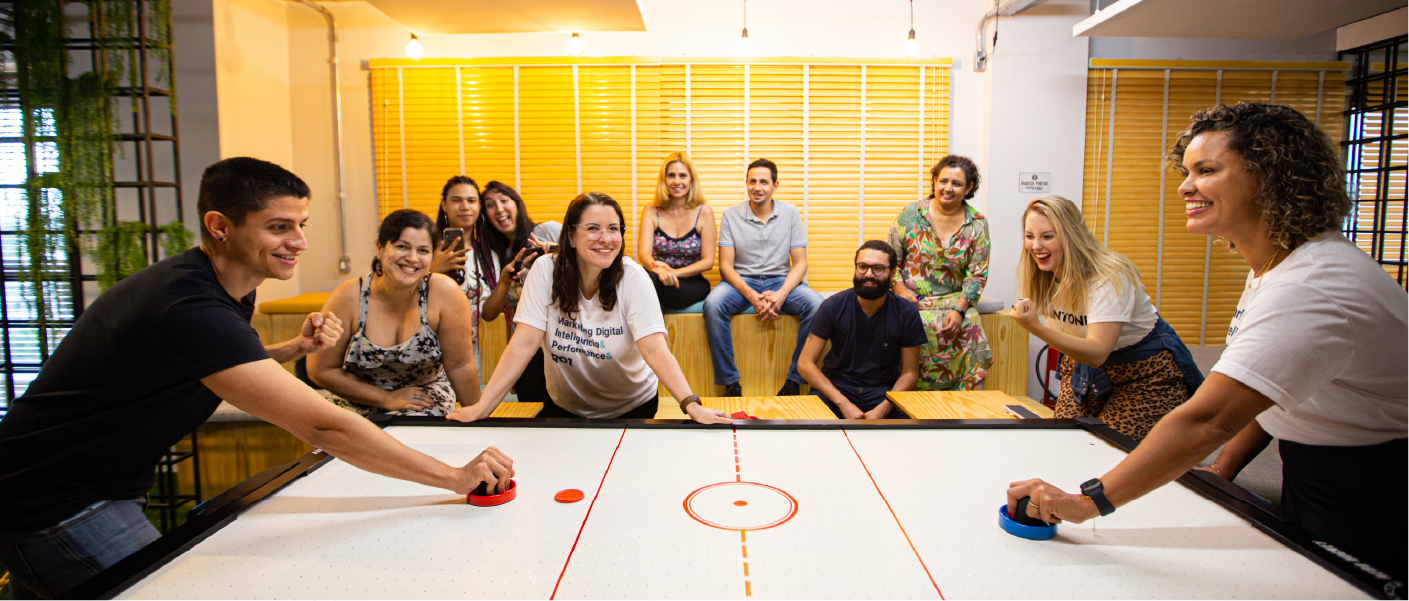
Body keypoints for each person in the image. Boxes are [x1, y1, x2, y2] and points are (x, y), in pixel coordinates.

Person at [0, 158, 512, 599]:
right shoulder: (190, 306)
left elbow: (212, 363)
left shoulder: (223, 288)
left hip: (96, 483)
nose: (300, 242)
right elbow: (324, 426)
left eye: (301, 225)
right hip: (55, 500)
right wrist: (453, 478)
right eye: (279, 228)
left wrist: (290, 347)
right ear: (220, 225)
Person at [1006, 103, 1406, 579]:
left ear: (1269, 177)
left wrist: (1082, 503)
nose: (1184, 186)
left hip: (1374, 481)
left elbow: (1208, 420)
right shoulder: (1276, 269)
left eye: (1207, 170)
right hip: (1314, 464)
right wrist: (1222, 472)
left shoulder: (1311, 286)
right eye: (1187, 170)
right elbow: (1275, 392)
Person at [449, 192, 732, 424]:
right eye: (593, 229)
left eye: (613, 229)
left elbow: (655, 349)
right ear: (570, 235)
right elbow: (524, 342)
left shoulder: (633, 277)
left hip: (633, 408)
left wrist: (692, 405)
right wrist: (483, 407)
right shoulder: (544, 270)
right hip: (564, 407)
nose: (606, 239)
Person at [1011, 195, 1204, 441]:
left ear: (1071, 235)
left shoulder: (1108, 275)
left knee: (1107, 449)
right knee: (1062, 442)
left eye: (1047, 236)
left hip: (1142, 374)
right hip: (1083, 373)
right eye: (1029, 236)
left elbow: (1097, 351)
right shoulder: (1041, 275)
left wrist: (1035, 327)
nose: (1036, 246)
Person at [309, 210, 481, 417]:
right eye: (402, 247)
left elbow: (460, 366)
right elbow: (321, 370)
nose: (412, 258)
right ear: (380, 249)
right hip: (355, 398)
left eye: (423, 251)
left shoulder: (445, 292)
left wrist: (478, 422)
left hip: (422, 397)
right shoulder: (348, 295)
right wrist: (386, 398)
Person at [704, 158, 823, 397]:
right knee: (713, 304)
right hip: (740, 282)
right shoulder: (730, 215)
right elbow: (726, 267)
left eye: (763, 182)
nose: (757, 187)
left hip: (780, 279)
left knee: (817, 305)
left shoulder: (790, 213)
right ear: (746, 184)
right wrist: (752, 296)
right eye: (752, 181)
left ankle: (794, 381)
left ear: (775, 185)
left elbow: (800, 264)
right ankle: (730, 382)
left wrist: (780, 295)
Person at [887, 155, 993, 391]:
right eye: (943, 181)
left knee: (973, 333)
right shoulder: (911, 214)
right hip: (910, 300)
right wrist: (901, 291)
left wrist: (959, 310)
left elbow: (977, 274)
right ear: (934, 181)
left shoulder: (977, 223)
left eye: (956, 183)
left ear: (969, 187)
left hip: (955, 300)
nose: (948, 188)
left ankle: (973, 411)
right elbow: (890, 259)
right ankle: (905, 408)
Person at [797, 241, 927, 419]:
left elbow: (910, 373)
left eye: (878, 269)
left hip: (884, 392)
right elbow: (805, 364)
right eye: (862, 267)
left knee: (910, 428)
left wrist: (884, 408)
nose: (869, 274)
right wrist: (843, 403)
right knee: (807, 421)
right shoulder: (832, 306)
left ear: (892, 273)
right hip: (836, 389)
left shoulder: (906, 312)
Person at [477, 181, 562, 405]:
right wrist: (511, 365)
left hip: (562, 344)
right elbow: (509, 314)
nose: (499, 209)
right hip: (528, 352)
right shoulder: (497, 256)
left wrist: (559, 254)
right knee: (533, 421)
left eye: (504, 200)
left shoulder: (548, 231)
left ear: (517, 204)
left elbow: (589, 262)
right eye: (490, 205)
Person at [637, 152, 717, 310]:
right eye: (671, 175)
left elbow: (708, 262)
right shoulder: (651, 210)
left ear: (691, 180)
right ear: (664, 180)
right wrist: (659, 270)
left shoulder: (704, 212)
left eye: (682, 176)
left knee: (649, 286)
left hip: (690, 284)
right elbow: (644, 254)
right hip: (657, 277)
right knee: (648, 280)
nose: (676, 181)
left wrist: (673, 273)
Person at [428, 176, 490, 375]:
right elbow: (402, 298)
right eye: (457, 200)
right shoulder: (425, 251)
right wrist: (432, 269)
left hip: (479, 356)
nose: (465, 207)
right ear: (444, 205)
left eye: (471, 201)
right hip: (432, 355)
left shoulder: (489, 256)